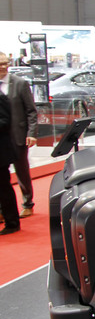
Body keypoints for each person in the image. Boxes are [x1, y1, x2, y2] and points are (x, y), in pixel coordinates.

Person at [0, 51, 38, 218]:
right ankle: (4, 209)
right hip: (1, 138)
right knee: (2, 176)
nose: (3, 67)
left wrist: (32, 133)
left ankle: (28, 203)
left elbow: (31, 111)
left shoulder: (20, 83)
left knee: (22, 171)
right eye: (0, 64)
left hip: (18, 136)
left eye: (5, 63)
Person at [0, 92, 19, 235]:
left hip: (1, 152)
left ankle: (12, 222)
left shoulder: (0, 97)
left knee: (3, 188)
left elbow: (5, 122)